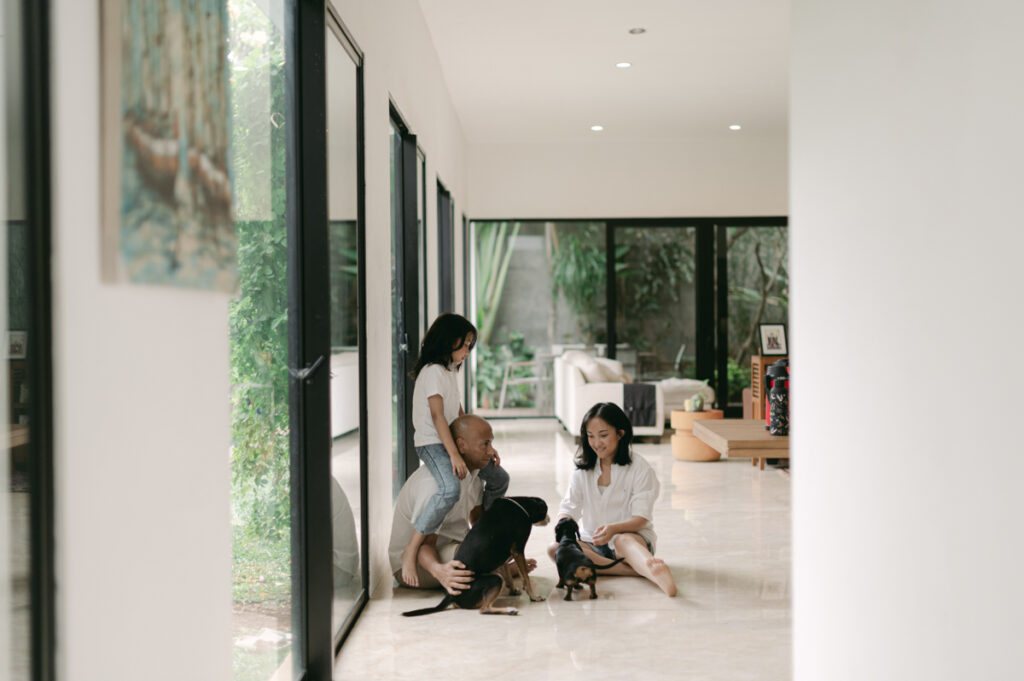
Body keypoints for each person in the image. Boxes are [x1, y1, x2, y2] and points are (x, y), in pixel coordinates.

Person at [399, 314, 509, 587]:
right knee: (450, 489)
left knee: (499, 477)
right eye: (465, 344)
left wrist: (483, 445)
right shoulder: (433, 372)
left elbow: (458, 414)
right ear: (449, 341)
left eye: (470, 345)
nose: (467, 351)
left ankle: (484, 530)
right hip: (432, 443)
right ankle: (411, 549)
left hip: (451, 439)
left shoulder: (450, 371)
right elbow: (438, 417)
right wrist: (454, 454)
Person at [548, 401, 678, 597]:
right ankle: (634, 570)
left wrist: (614, 529)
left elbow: (641, 518)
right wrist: (564, 526)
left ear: (620, 433)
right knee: (555, 549)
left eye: (603, 435)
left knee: (623, 540)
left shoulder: (640, 468)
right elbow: (569, 507)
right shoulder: (581, 471)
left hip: (631, 540)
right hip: (591, 543)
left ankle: (651, 570)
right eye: (590, 436)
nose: (596, 443)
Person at [389, 414, 501, 593]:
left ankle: (495, 570)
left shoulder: (473, 476)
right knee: (474, 552)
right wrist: (440, 572)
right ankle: (494, 572)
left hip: (446, 547)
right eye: (485, 444)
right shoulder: (437, 486)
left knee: (494, 542)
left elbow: (478, 524)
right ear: (461, 446)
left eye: (491, 443)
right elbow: (425, 546)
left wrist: (497, 548)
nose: (491, 451)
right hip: (416, 564)